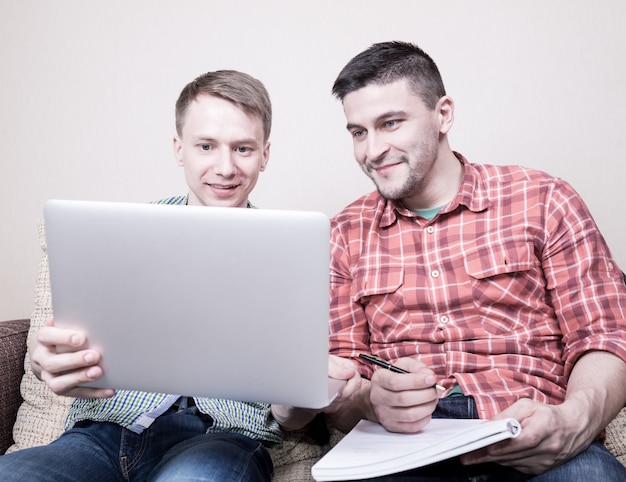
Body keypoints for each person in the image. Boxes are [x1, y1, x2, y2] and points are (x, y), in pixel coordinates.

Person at [319, 41, 626, 481]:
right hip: (404, 451)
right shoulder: (343, 233)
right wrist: (371, 400)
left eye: (390, 123)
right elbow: (342, 380)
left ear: (443, 114)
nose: (372, 150)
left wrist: (575, 418)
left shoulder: (544, 199)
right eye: (358, 132)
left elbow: (606, 334)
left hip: (529, 432)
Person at [0, 69, 284, 482]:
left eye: (242, 148)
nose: (225, 167)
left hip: (218, 438)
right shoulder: (114, 233)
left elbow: (295, 395)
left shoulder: (285, 250)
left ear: (265, 155)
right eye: (206, 146)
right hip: (100, 434)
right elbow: (67, 343)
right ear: (179, 149)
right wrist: (49, 366)